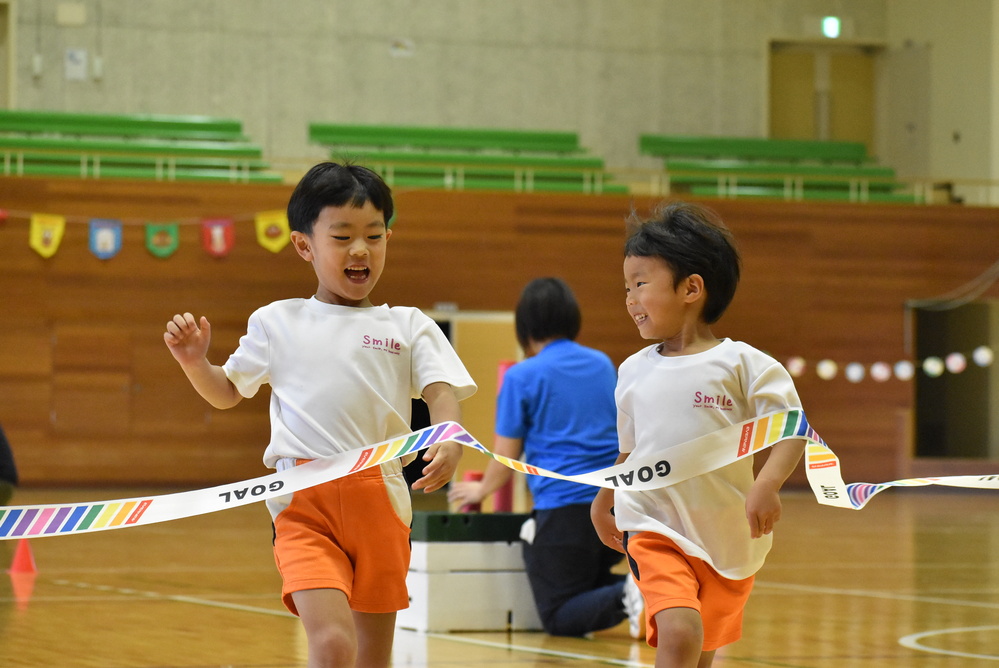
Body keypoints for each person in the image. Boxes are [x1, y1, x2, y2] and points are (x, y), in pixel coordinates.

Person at [164, 162, 476, 668]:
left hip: (382, 500)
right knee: (332, 645)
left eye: (374, 236)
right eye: (342, 236)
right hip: (303, 507)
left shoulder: (409, 325)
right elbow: (225, 392)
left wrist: (450, 438)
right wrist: (195, 362)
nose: (361, 250)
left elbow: (442, 394)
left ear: (387, 238)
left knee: (373, 658)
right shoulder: (276, 321)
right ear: (304, 245)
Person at [591, 201, 806, 668]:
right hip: (653, 524)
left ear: (691, 288)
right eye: (625, 287)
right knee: (681, 631)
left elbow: (792, 429)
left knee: (701, 646)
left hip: (724, 535)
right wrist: (606, 495)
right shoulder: (631, 371)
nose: (629, 299)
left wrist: (767, 485)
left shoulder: (745, 365)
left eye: (641, 284)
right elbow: (630, 451)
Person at [448, 277, 642, 638]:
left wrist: (480, 492)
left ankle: (631, 593)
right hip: (616, 506)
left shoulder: (522, 376)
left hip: (563, 509)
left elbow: (506, 454)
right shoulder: (601, 364)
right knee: (583, 589)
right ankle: (639, 590)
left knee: (558, 615)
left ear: (525, 325)